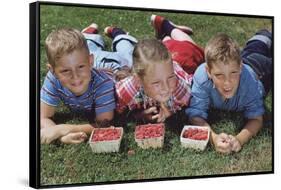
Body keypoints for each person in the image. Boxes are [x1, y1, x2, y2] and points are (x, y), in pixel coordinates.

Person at [185, 29, 272, 154]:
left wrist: (240, 139)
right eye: (219, 75)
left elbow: (257, 119)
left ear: (240, 68)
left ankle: (265, 35)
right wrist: (214, 138)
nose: (227, 82)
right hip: (238, 62)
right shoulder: (201, 77)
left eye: (233, 73)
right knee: (251, 50)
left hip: (259, 70)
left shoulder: (249, 83)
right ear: (208, 71)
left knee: (258, 49)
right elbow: (195, 114)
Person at [40, 27, 118, 144]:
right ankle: (89, 34)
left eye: (80, 67)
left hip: (112, 65)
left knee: (126, 53)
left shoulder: (103, 84)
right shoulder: (53, 79)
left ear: (90, 62)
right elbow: (43, 117)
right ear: (52, 71)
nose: (75, 76)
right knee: (85, 51)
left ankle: (120, 35)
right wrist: (61, 137)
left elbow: (104, 124)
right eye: (65, 71)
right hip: (86, 60)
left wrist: (64, 128)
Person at [115, 39, 193, 123]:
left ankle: (168, 29)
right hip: (151, 64)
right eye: (156, 83)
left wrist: (171, 110)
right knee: (125, 52)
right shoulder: (125, 91)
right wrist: (138, 115)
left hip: (179, 53)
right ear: (138, 81)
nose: (166, 88)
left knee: (190, 48)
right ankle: (119, 36)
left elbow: (193, 101)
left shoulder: (180, 87)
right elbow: (117, 112)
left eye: (170, 77)